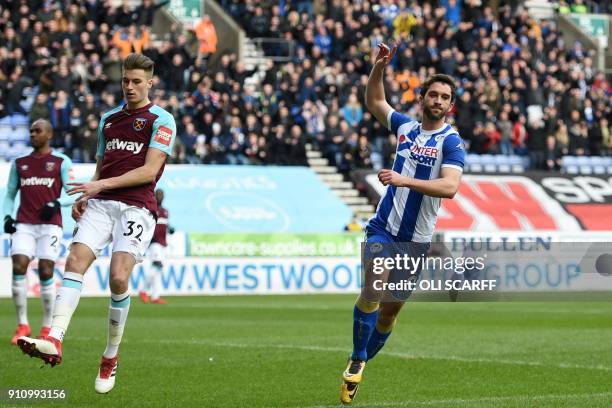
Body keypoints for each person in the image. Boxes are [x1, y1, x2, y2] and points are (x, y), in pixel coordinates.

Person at [16, 53, 177, 395]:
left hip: (137, 207)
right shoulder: (109, 119)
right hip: (101, 204)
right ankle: (54, 339)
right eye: (125, 80)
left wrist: (99, 186)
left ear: (150, 83)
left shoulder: (162, 120)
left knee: (118, 277)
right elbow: (102, 168)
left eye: (136, 81)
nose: (129, 87)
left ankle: (110, 356)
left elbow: (149, 172)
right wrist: (88, 193)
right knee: (74, 262)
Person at [339, 43, 465, 404]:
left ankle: (359, 359)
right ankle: (358, 358)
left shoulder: (451, 142)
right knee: (373, 289)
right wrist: (378, 67)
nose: (439, 101)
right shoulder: (406, 128)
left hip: (417, 241)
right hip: (384, 228)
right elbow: (376, 102)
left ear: (449, 106)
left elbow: (450, 187)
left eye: (445, 97)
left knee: (389, 313)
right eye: (434, 94)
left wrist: (403, 179)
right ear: (422, 97)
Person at [3, 119, 74, 345]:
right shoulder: (19, 163)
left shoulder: (61, 161)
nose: (33, 134)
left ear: (49, 134)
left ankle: (46, 326)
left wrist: (57, 203)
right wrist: (6, 216)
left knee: (45, 271)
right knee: (18, 265)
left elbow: (71, 192)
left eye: (38, 131)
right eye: (31, 131)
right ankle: (22, 324)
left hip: (50, 224)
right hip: (24, 223)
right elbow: (10, 194)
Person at [139, 188, 174, 305]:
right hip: (154, 243)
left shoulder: (165, 211)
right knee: (157, 265)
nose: (160, 196)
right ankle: (143, 290)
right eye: (158, 194)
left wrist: (170, 229)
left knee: (158, 270)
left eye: (162, 195)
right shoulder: (150, 209)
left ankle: (155, 296)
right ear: (154, 196)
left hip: (163, 243)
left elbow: (165, 226)